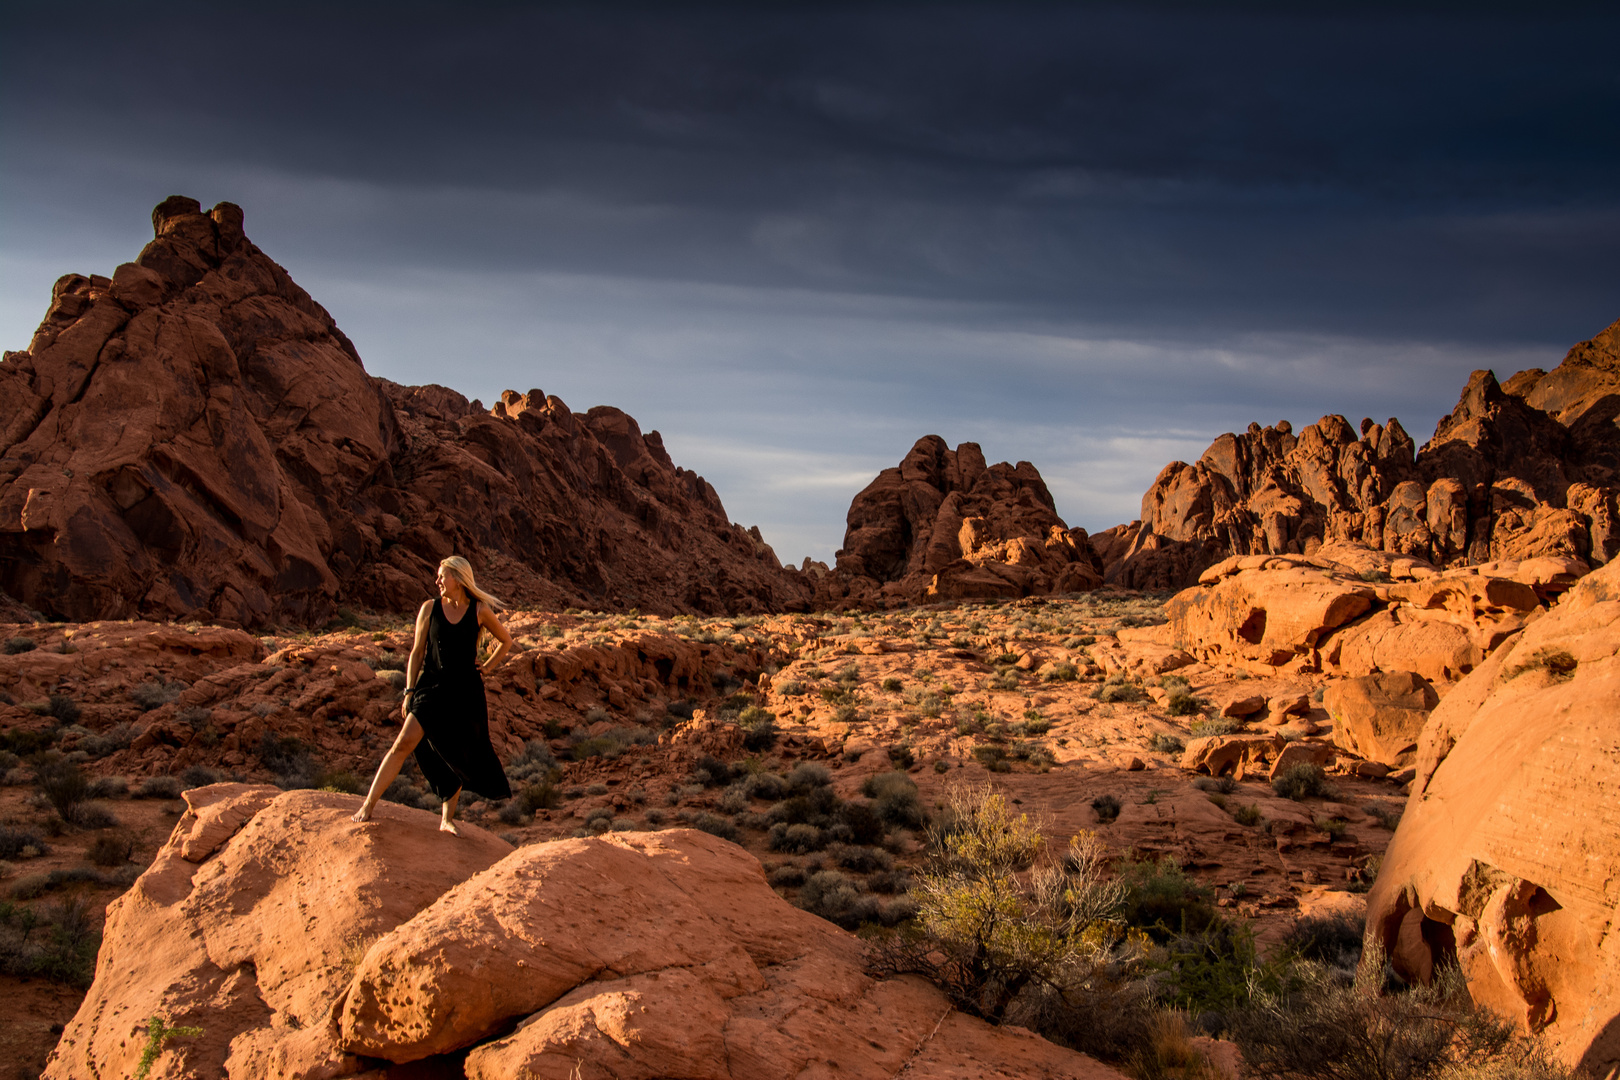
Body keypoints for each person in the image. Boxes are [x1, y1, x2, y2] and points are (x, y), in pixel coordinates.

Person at [352, 555, 514, 834]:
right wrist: (409, 691)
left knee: (456, 754)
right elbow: (416, 653)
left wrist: (487, 667)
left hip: (465, 693)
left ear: (459, 579)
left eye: (442, 576)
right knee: (403, 743)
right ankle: (368, 805)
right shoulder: (430, 608)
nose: (437, 581)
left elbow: (506, 640)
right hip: (431, 687)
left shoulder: (479, 610)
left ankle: (446, 820)